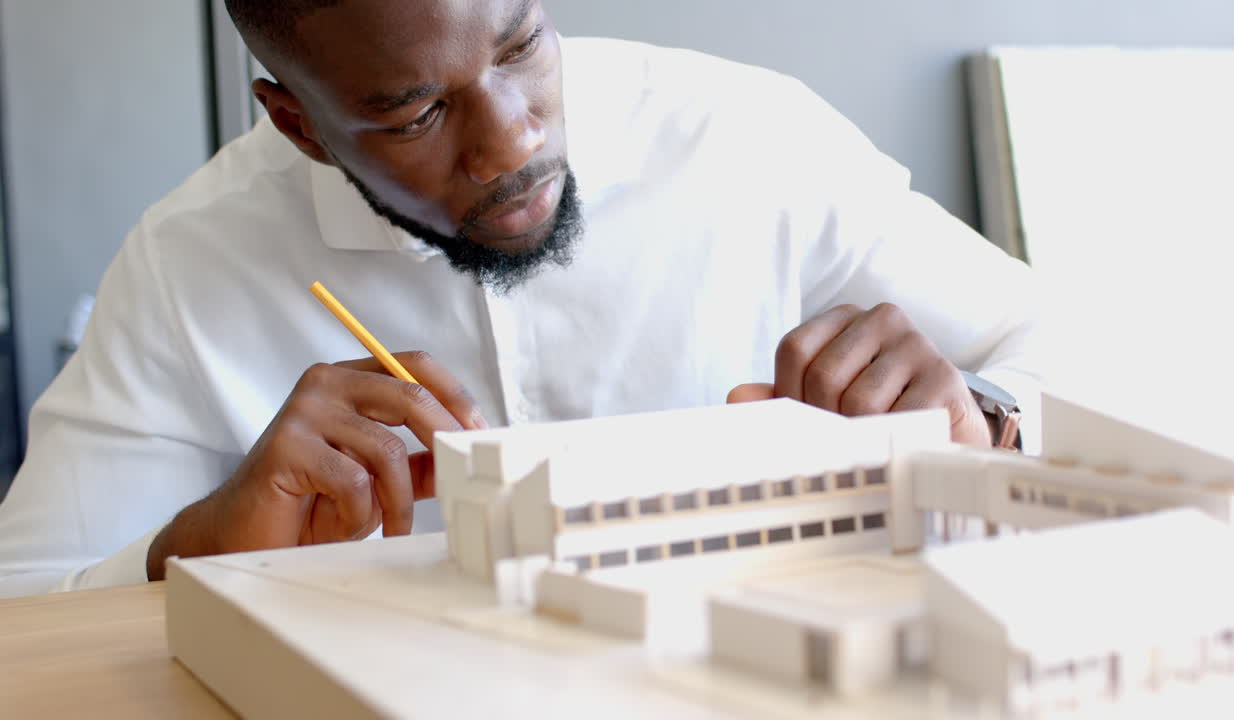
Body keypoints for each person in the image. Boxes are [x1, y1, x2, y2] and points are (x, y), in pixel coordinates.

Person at [0, 0, 1048, 597]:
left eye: (519, 46)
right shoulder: (193, 262)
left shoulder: (745, 140)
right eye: (413, 112)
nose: (512, 140)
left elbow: (1103, 357)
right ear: (299, 126)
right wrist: (202, 546)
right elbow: (22, 618)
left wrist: (988, 414)